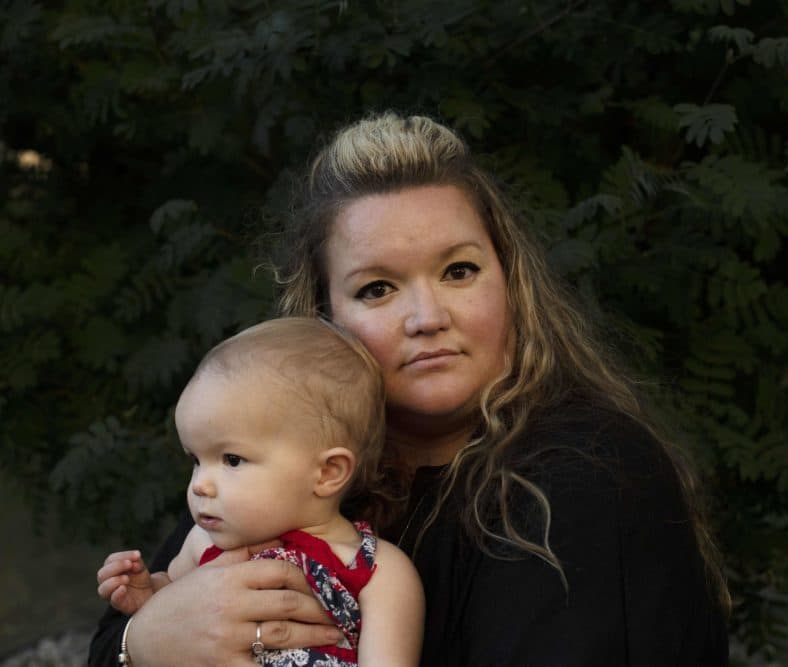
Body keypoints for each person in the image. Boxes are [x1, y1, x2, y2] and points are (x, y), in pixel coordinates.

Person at [89, 112, 729, 666]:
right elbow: (119, 637)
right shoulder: (280, 459)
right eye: (377, 288)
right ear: (324, 319)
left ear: (510, 283)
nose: (427, 317)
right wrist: (140, 641)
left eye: (459, 271)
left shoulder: (589, 475)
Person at [93, 317, 423, 667]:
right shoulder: (204, 544)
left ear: (327, 473)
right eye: (195, 460)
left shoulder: (376, 570)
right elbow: (174, 613)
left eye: (232, 460)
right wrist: (148, 594)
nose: (200, 484)